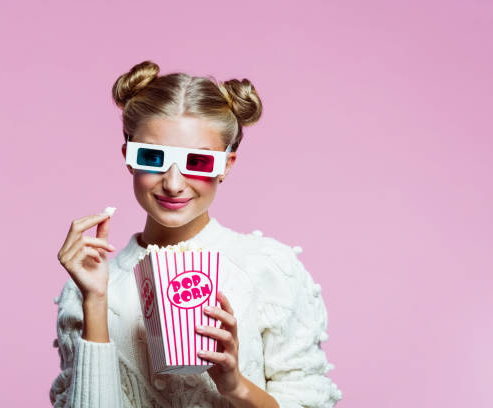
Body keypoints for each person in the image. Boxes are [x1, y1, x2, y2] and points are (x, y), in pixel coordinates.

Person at [49, 60, 343, 408]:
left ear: (226, 166)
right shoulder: (87, 285)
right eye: (154, 157)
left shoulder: (270, 269)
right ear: (129, 157)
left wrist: (235, 385)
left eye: (198, 163)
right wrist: (96, 301)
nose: (173, 184)